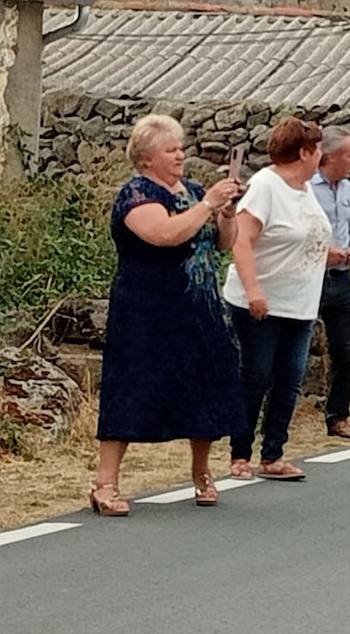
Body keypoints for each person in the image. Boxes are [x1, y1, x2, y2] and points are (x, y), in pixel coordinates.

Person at [91, 115, 244, 516]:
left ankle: (202, 473)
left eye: (181, 146)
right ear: (146, 158)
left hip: (199, 312)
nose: (180, 154)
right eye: (171, 149)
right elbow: (164, 235)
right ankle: (105, 484)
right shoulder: (135, 194)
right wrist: (208, 204)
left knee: (203, 389)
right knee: (130, 389)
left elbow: (225, 243)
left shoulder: (194, 190)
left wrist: (226, 213)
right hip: (146, 313)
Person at [224, 117, 333, 483]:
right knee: (256, 376)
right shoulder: (265, 186)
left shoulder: (305, 189)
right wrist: (254, 290)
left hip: (299, 303)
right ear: (304, 152)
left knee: (289, 379)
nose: (321, 156)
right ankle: (240, 454)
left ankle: (274, 454)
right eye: (317, 149)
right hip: (262, 302)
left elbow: (298, 236)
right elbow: (242, 239)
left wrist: (331, 254)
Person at [310, 127, 350, 441]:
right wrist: (322, 253)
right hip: (311, 277)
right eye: (349, 155)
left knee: (345, 349)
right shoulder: (306, 187)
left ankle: (339, 417)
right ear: (329, 156)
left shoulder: (348, 189)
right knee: (297, 347)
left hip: (342, 278)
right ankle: (281, 416)